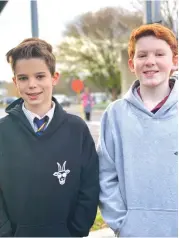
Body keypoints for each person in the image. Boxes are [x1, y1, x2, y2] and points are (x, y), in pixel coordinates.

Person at [0, 38, 99, 237]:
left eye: (40, 76)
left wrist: (76, 231)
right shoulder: (3, 132)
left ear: (54, 77)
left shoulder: (77, 129)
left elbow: (89, 186)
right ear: (15, 82)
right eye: (23, 78)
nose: (32, 85)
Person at [98, 23, 178, 237]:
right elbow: (106, 174)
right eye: (142, 55)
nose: (150, 61)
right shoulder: (115, 114)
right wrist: (122, 223)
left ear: (175, 61)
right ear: (132, 64)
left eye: (159, 54)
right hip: (133, 231)